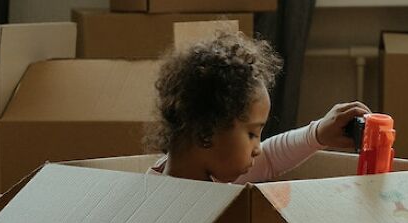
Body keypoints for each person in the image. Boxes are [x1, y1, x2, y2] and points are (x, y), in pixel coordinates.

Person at [145, 30, 370, 183]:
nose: (258, 148)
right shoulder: (153, 198)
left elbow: (271, 157)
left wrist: (318, 134)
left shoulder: (214, 172)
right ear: (206, 132)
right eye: (252, 133)